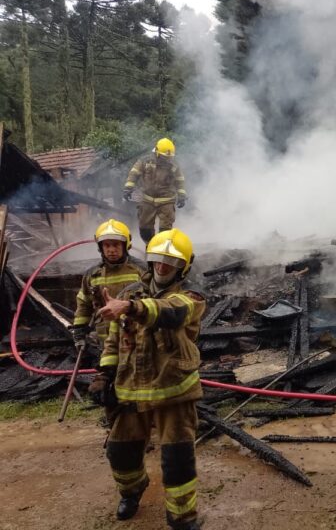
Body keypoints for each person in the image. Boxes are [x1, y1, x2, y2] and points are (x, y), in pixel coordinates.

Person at [91, 228, 206, 530]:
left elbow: (169, 313)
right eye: (156, 259)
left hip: (174, 391)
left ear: (184, 266)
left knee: (177, 460)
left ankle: (183, 517)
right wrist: (104, 375)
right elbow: (114, 340)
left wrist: (130, 308)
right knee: (120, 452)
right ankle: (132, 490)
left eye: (170, 262)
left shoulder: (190, 297)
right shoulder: (130, 292)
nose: (162, 267)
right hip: (131, 388)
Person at [71, 219, 145, 350]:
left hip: (136, 338)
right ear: (100, 247)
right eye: (107, 245)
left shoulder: (141, 270)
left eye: (116, 245)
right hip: (105, 340)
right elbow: (84, 304)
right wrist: (79, 332)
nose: (111, 250)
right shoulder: (92, 275)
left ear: (125, 245)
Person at [123, 138, 188, 246]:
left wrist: (182, 194)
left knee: (165, 230)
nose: (167, 159)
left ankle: (161, 249)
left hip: (167, 201)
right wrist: (128, 188)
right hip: (147, 200)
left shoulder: (174, 165)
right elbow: (134, 174)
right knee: (144, 228)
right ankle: (149, 246)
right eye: (164, 157)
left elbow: (180, 180)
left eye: (169, 157)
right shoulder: (145, 161)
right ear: (157, 152)